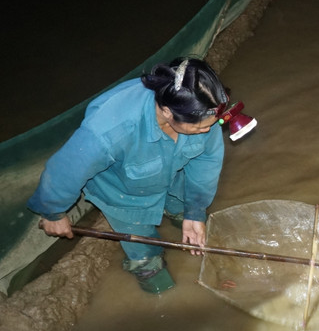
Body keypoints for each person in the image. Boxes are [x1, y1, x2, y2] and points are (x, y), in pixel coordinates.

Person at [27, 57, 231, 294]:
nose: (207, 131)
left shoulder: (202, 107)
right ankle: (149, 269)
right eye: (199, 128)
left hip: (172, 173)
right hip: (124, 193)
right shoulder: (109, 129)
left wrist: (195, 210)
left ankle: (178, 212)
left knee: (185, 206)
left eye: (210, 124)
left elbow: (207, 160)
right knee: (145, 253)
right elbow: (64, 171)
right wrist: (53, 212)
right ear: (167, 112)